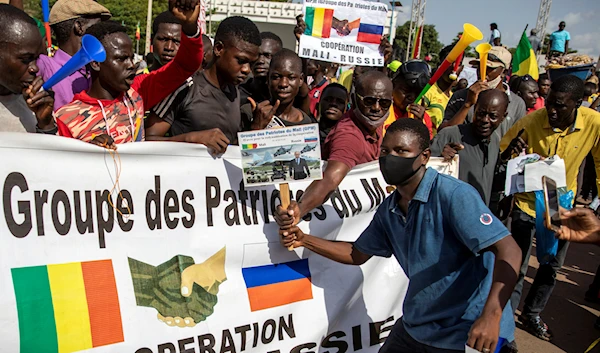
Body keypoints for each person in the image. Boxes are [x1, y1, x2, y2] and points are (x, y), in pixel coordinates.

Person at [278, 118, 521, 353]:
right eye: (384, 151)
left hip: (466, 331)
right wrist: (304, 239)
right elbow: (357, 253)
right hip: (418, 325)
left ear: (424, 156)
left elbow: (509, 250)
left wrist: (492, 316)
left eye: (401, 151)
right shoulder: (390, 209)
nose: (390, 158)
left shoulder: (453, 195)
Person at [500, 75, 600, 343]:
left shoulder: (594, 124)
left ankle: (532, 314)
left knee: (551, 264)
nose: (552, 111)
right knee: (517, 266)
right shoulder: (531, 121)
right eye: (550, 104)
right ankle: (505, 325)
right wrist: (511, 151)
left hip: (560, 207)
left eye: (560, 106)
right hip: (526, 203)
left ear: (578, 104)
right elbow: (502, 153)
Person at [55, 1, 204, 145]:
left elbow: (185, 66)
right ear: (95, 63)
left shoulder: (137, 93)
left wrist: (190, 28)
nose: (131, 65)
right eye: (122, 59)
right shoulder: (67, 118)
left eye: (132, 58)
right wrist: (90, 152)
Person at [275, 71, 392, 221]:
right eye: (369, 101)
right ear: (355, 99)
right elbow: (330, 178)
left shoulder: (373, 124)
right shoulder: (349, 136)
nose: (376, 108)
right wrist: (299, 211)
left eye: (384, 103)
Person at [145, 16, 260, 153]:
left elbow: (227, 149)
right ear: (218, 49)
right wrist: (192, 138)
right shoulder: (185, 87)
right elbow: (147, 140)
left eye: (251, 64)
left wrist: (255, 129)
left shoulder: (235, 92)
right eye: (241, 60)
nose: (247, 69)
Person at [431, 89, 509, 206]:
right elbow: (425, 172)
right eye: (481, 113)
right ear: (474, 109)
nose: (485, 120)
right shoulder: (450, 135)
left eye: (492, 116)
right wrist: (440, 159)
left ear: (503, 117)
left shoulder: (495, 141)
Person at [37, 0, 111, 111]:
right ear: (79, 27)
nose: (101, 31)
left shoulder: (93, 70)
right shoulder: (44, 66)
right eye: (97, 26)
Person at [440, 46, 526, 140]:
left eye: (489, 68)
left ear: (504, 72)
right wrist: (467, 104)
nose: (482, 73)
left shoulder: (517, 104)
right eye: (480, 66)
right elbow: (444, 134)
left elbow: (517, 138)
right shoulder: (460, 96)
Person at [0, 4, 55, 133]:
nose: (35, 68)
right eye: (26, 59)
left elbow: (48, 153)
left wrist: (46, 124)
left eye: (36, 59)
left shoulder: (35, 105)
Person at [241, 49, 315, 129]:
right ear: (268, 79)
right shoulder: (250, 112)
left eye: (291, 78)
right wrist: (256, 128)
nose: (283, 84)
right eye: (276, 77)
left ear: (300, 80)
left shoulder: (306, 122)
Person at [384, 59, 434, 139]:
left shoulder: (424, 118)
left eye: (418, 93)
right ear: (393, 85)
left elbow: (427, 146)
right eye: (406, 91)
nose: (412, 97)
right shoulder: (380, 109)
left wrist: (419, 126)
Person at [424, 44, 460, 134]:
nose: (454, 68)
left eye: (458, 64)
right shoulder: (427, 91)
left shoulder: (456, 98)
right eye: (450, 62)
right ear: (439, 65)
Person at [239, 32, 283, 105]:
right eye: (257, 55)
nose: (260, 61)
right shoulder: (237, 94)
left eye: (267, 56)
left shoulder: (286, 95)